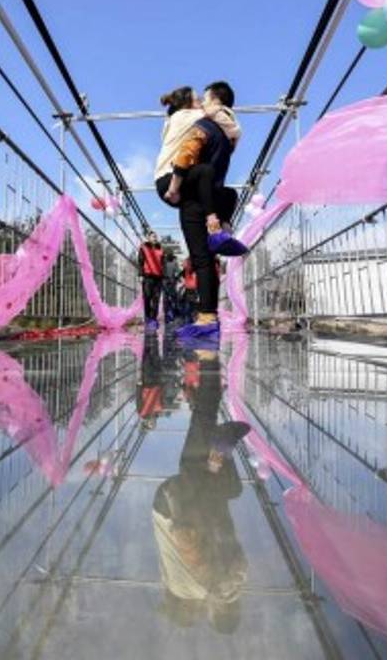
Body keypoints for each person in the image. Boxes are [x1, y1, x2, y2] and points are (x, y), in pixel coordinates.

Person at [152, 347, 250, 632]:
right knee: (204, 429)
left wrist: (187, 517)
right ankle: (218, 446)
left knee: (206, 423)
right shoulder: (185, 588)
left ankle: (208, 356)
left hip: (181, 506)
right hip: (172, 504)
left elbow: (189, 542)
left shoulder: (221, 585)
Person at [154, 82, 247, 340]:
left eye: (204, 100)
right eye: (197, 101)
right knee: (208, 257)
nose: (202, 104)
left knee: (202, 259)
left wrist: (175, 188)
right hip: (195, 187)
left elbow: (187, 153)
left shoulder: (202, 125)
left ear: (214, 101)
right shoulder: (195, 120)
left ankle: (207, 319)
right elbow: (232, 128)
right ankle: (223, 231)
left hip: (187, 191)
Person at [138, 230, 165, 330]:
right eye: (152, 236)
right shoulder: (144, 247)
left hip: (158, 277)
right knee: (147, 297)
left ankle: (153, 318)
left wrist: (164, 276)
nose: (155, 238)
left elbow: (163, 263)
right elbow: (140, 261)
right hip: (148, 276)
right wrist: (140, 275)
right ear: (148, 238)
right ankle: (147, 317)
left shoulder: (160, 249)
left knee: (156, 298)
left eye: (155, 236)